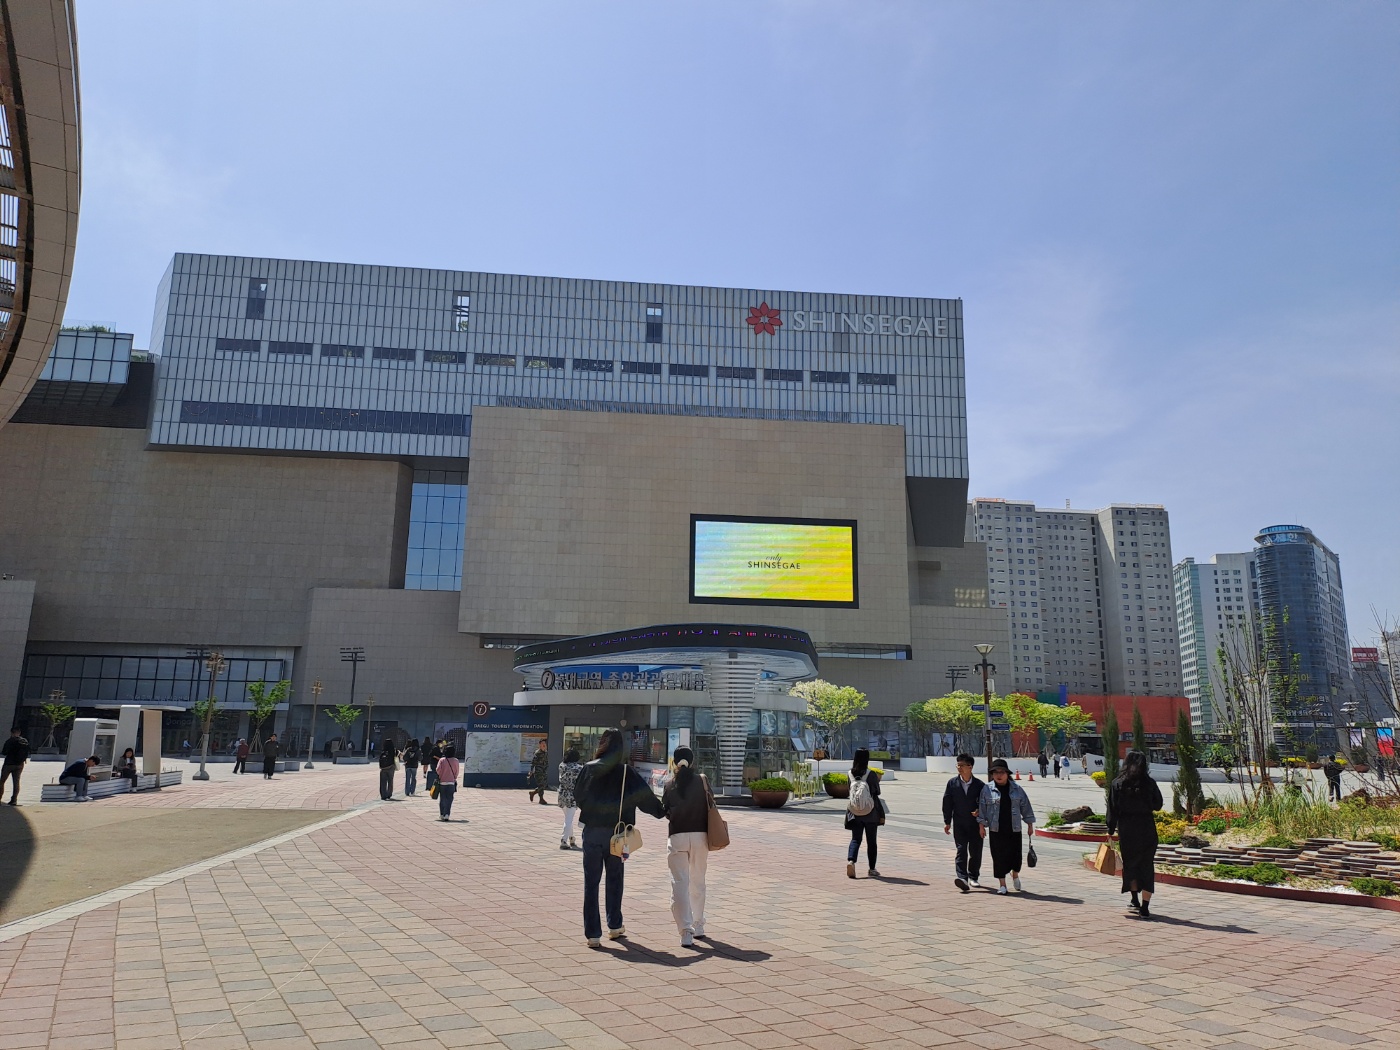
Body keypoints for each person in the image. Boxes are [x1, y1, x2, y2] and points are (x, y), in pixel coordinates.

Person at [574, 728, 665, 947]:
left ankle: (593, 934)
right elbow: (645, 799)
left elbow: (578, 797)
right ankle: (614, 925)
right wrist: (663, 811)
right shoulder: (626, 772)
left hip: (593, 832)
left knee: (591, 882)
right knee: (615, 879)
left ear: (602, 744)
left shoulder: (588, 769)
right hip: (618, 834)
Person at [1106, 749, 1164, 919]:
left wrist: (1110, 830)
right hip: (1146, 828)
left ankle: (1134, 900)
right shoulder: (1149, 783)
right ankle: (1145, 907)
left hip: (1127, 829)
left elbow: (1112, 810)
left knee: (1130, 865)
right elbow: (1158, 804)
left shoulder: (1117, 784)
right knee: (1146, 866)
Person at [663, 746, 711, 946]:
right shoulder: (702, 781)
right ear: (692, 762)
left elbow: (666, 811)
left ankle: (685, 932)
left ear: (674, 762)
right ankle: (698, 924)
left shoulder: (669, 784)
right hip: (700, 836)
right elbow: (710, 804)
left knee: (679, 883)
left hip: (677, 836)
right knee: (698, 880)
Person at [978, 759, 1036, 894]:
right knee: (998, 857)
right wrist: (981, 825)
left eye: (1002, 772)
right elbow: (982, 808)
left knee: (1016, 856)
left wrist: (1030, 824)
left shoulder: (1017, 789)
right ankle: (1002, 885)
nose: (999, 775)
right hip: (996, 829)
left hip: (1014, 828)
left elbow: (1026, 807)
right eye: (995, 772)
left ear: (1007, 774)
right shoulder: (987, 789)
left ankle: (1015, 874)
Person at [942, 753, 984, 892]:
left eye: (962, 765)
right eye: (958, 765)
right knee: (961, 850)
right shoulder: (952, 783)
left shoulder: (979, 785)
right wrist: (947, 821)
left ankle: (973, 876)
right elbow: (947, 803)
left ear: (970, 767)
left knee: (975, 851)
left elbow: (985, 804)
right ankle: (962, 877)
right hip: (959, 822)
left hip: (975, 824)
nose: (959, 768)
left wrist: (979, 811)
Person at [845, 748, 884, 879]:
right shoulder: (870, 774)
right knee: (871, 841)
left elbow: (849, 791)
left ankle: (851, 861)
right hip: (870, 813)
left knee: (856, 839)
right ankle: (872, 869)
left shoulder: (850, 774)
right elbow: (877, 791)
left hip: (854, 812)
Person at [558, 747, 583, 850]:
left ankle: (571, 838)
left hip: (562, 793)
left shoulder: (561, 765)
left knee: (568, 818)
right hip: (572, 796)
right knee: (569, 818)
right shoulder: (579, 768)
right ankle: (563, 840)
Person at [1, 727, 30, 805]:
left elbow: (4, 752)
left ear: (12, 733)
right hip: (20, 764)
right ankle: (14, 800)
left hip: (9, 764)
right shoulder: (24, 741)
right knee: (16, 782)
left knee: (2, 781)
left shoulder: (9, 741)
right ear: (19, 733)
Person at [436, 743, 461, 821]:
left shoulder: (442, 760)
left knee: (442, 798)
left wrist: (441, 775)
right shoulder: (456, 760)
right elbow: (457, 771)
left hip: (442, 782)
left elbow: (438, 770)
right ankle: (447, 814)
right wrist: (454, 777)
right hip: (451, 782)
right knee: (449, 799)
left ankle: (442, 814)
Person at [527, 738, 550, 805]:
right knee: (541, 784)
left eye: (545, 744)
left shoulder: (546, 752)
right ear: (539, 745)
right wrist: (531, 771)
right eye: (542, 744)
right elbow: (533, 763)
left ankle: (533, 793)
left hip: (544, 771)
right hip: (538, 771)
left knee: (544, 785)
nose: (544, 745)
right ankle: (541, 799)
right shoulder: (537, 753)